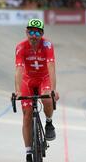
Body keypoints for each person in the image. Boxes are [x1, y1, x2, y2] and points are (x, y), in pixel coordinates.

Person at [14, 18, 59, 162]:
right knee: (27, 115)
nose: (34, 36)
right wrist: (17, 91)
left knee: (47, 98)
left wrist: (53, 89)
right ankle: (28, 152)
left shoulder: (47, 45)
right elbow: (19, 69)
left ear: (42, 34)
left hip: (44, 78)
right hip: (27, 81)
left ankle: (49, 122)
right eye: (31, 32)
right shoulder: (21, 47)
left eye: (37, 33)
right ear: (26, 32)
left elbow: (52, 68)